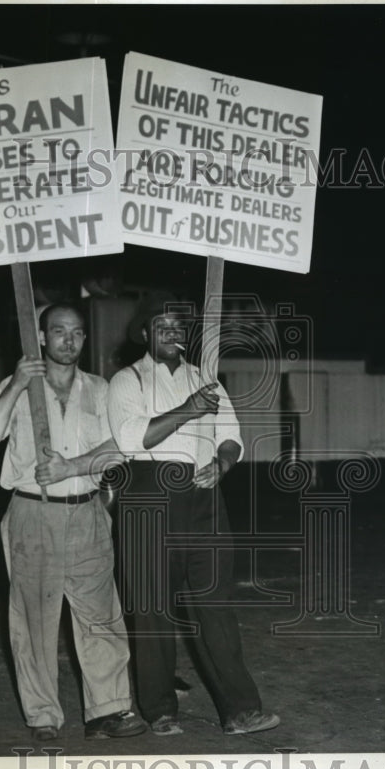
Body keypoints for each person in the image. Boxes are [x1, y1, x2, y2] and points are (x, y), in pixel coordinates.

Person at [106, 293, 279, 737]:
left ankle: (240, 709)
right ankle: (160, 708)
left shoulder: (207, 381)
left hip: (204, 498)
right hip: (149, 495)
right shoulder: (126, 382)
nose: (170, 331)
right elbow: (131, 440)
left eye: (177, 325)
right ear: (145, 333)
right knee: (152, 608)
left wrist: (222, 463)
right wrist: (188, 410)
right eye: (160, 324)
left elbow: (231, 436)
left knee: (214, 603)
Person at [0, 303, 146, 742]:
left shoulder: (101, 389)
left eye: (76, 333)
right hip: (33, 513)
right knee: (34, 618)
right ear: (42, 337)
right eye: (58, 332)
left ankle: (107, 711)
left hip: (87, 511)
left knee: (100, 614)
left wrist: (72, 467)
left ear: (84, 339)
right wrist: (16, 383)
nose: (68, 340)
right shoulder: (18, 386)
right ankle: (44, 715)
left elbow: (120, 447)